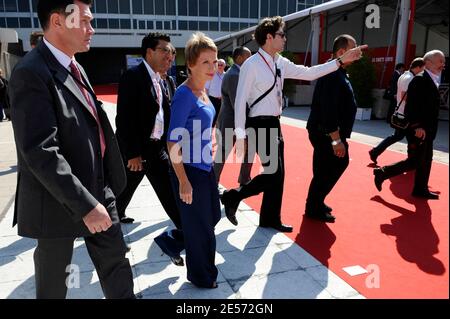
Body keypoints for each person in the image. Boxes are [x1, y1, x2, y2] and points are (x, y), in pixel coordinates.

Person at [8, 0, 134, 299]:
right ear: (57, 21)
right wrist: (85, 206)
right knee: (55, 284)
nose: (92, 29)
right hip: (58, 200)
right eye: (86, 22)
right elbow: (40, 151)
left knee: (116, 265)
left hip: (99, 188)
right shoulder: (32, 72)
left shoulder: (74, 65)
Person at [220, 16, 366, 232]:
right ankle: (234, 196)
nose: (285, 38)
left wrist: (339, 61)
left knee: (278, 174)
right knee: (274, 173)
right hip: (258, 124)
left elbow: (308, 73)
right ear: (269, 37)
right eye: (281, 34)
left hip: (274, 123)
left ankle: (270, 218)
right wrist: (241, 136)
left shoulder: (280, 61)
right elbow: (240, 101)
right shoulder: (251, 65)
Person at [114, 33, 184, 265]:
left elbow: (164, 116)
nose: (169, 55)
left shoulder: (165, 80)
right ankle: (108, 236)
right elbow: (124, 119)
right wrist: (132, 153)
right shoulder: (132, 77)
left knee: (169, 192)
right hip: (135, 151)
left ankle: (184, 233)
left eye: (171, 51)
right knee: (121, 191)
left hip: (157, 149)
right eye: (164, 50)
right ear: (149, 52)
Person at [166, 32, 221, 289]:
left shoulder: (203, 91)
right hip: (189, 169)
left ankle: (172, 240)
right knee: (201, 230)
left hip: (205, 166)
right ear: (190, 64)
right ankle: (202, 277)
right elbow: (172, 142)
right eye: (206, 63)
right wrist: (183, 181)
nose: (213, 67)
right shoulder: (184, 95)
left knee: (211, 218)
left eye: (215, 61)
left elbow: (202, 124)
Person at [374, 50, 445, 200]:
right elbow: (411, 107)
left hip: (429, 130)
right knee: (415, 161)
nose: (443, 65)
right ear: (429, 63)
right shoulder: (419, 79)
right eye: (440, 62)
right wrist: (417, 126)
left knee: (426, 160)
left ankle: (421, 188)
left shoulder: (433, 78)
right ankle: (383, 172)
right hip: (420, 129)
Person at [304, 35, 360, 223]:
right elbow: (328, 109)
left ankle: (316, 202)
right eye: (354, 48)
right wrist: (336, 139)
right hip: (326, 132)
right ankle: (313, 206)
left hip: (326, 131)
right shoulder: (332, 72)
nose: (357, 52)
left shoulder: (337, 70)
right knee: (333, 166)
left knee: (323, 169)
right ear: (342, 52)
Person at [369, 58, 425, 164]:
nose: (423, 71)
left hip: (402, 112)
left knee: (404, 137)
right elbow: (405, 96)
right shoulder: (409, 78)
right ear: (418, 67)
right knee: (406, 138)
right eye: (423, 68)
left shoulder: (404, 75)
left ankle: (376, 152)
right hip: (405, 113)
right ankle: (410, 160)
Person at [213, 46, 253, 195]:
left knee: (248, 150)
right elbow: (239, 104)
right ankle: (213, 182)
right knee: (223, 153)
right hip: (232, 122)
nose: (251, 60)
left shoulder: (239, 73)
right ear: (239, 58)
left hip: (235, 121)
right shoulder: (235, 75)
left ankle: (245, 179)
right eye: (248, 57)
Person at [205, 58, 226, 126]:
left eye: (221, 65)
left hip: (223, 100)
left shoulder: (226, 75)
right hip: (212, 99)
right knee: (212, 118)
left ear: (224, 66)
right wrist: (206, 100)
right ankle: (210, 133)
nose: (219, 66)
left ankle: (219, 133)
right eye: (218, 64)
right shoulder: (212, 74)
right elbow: (206, 88)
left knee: (222, 118)